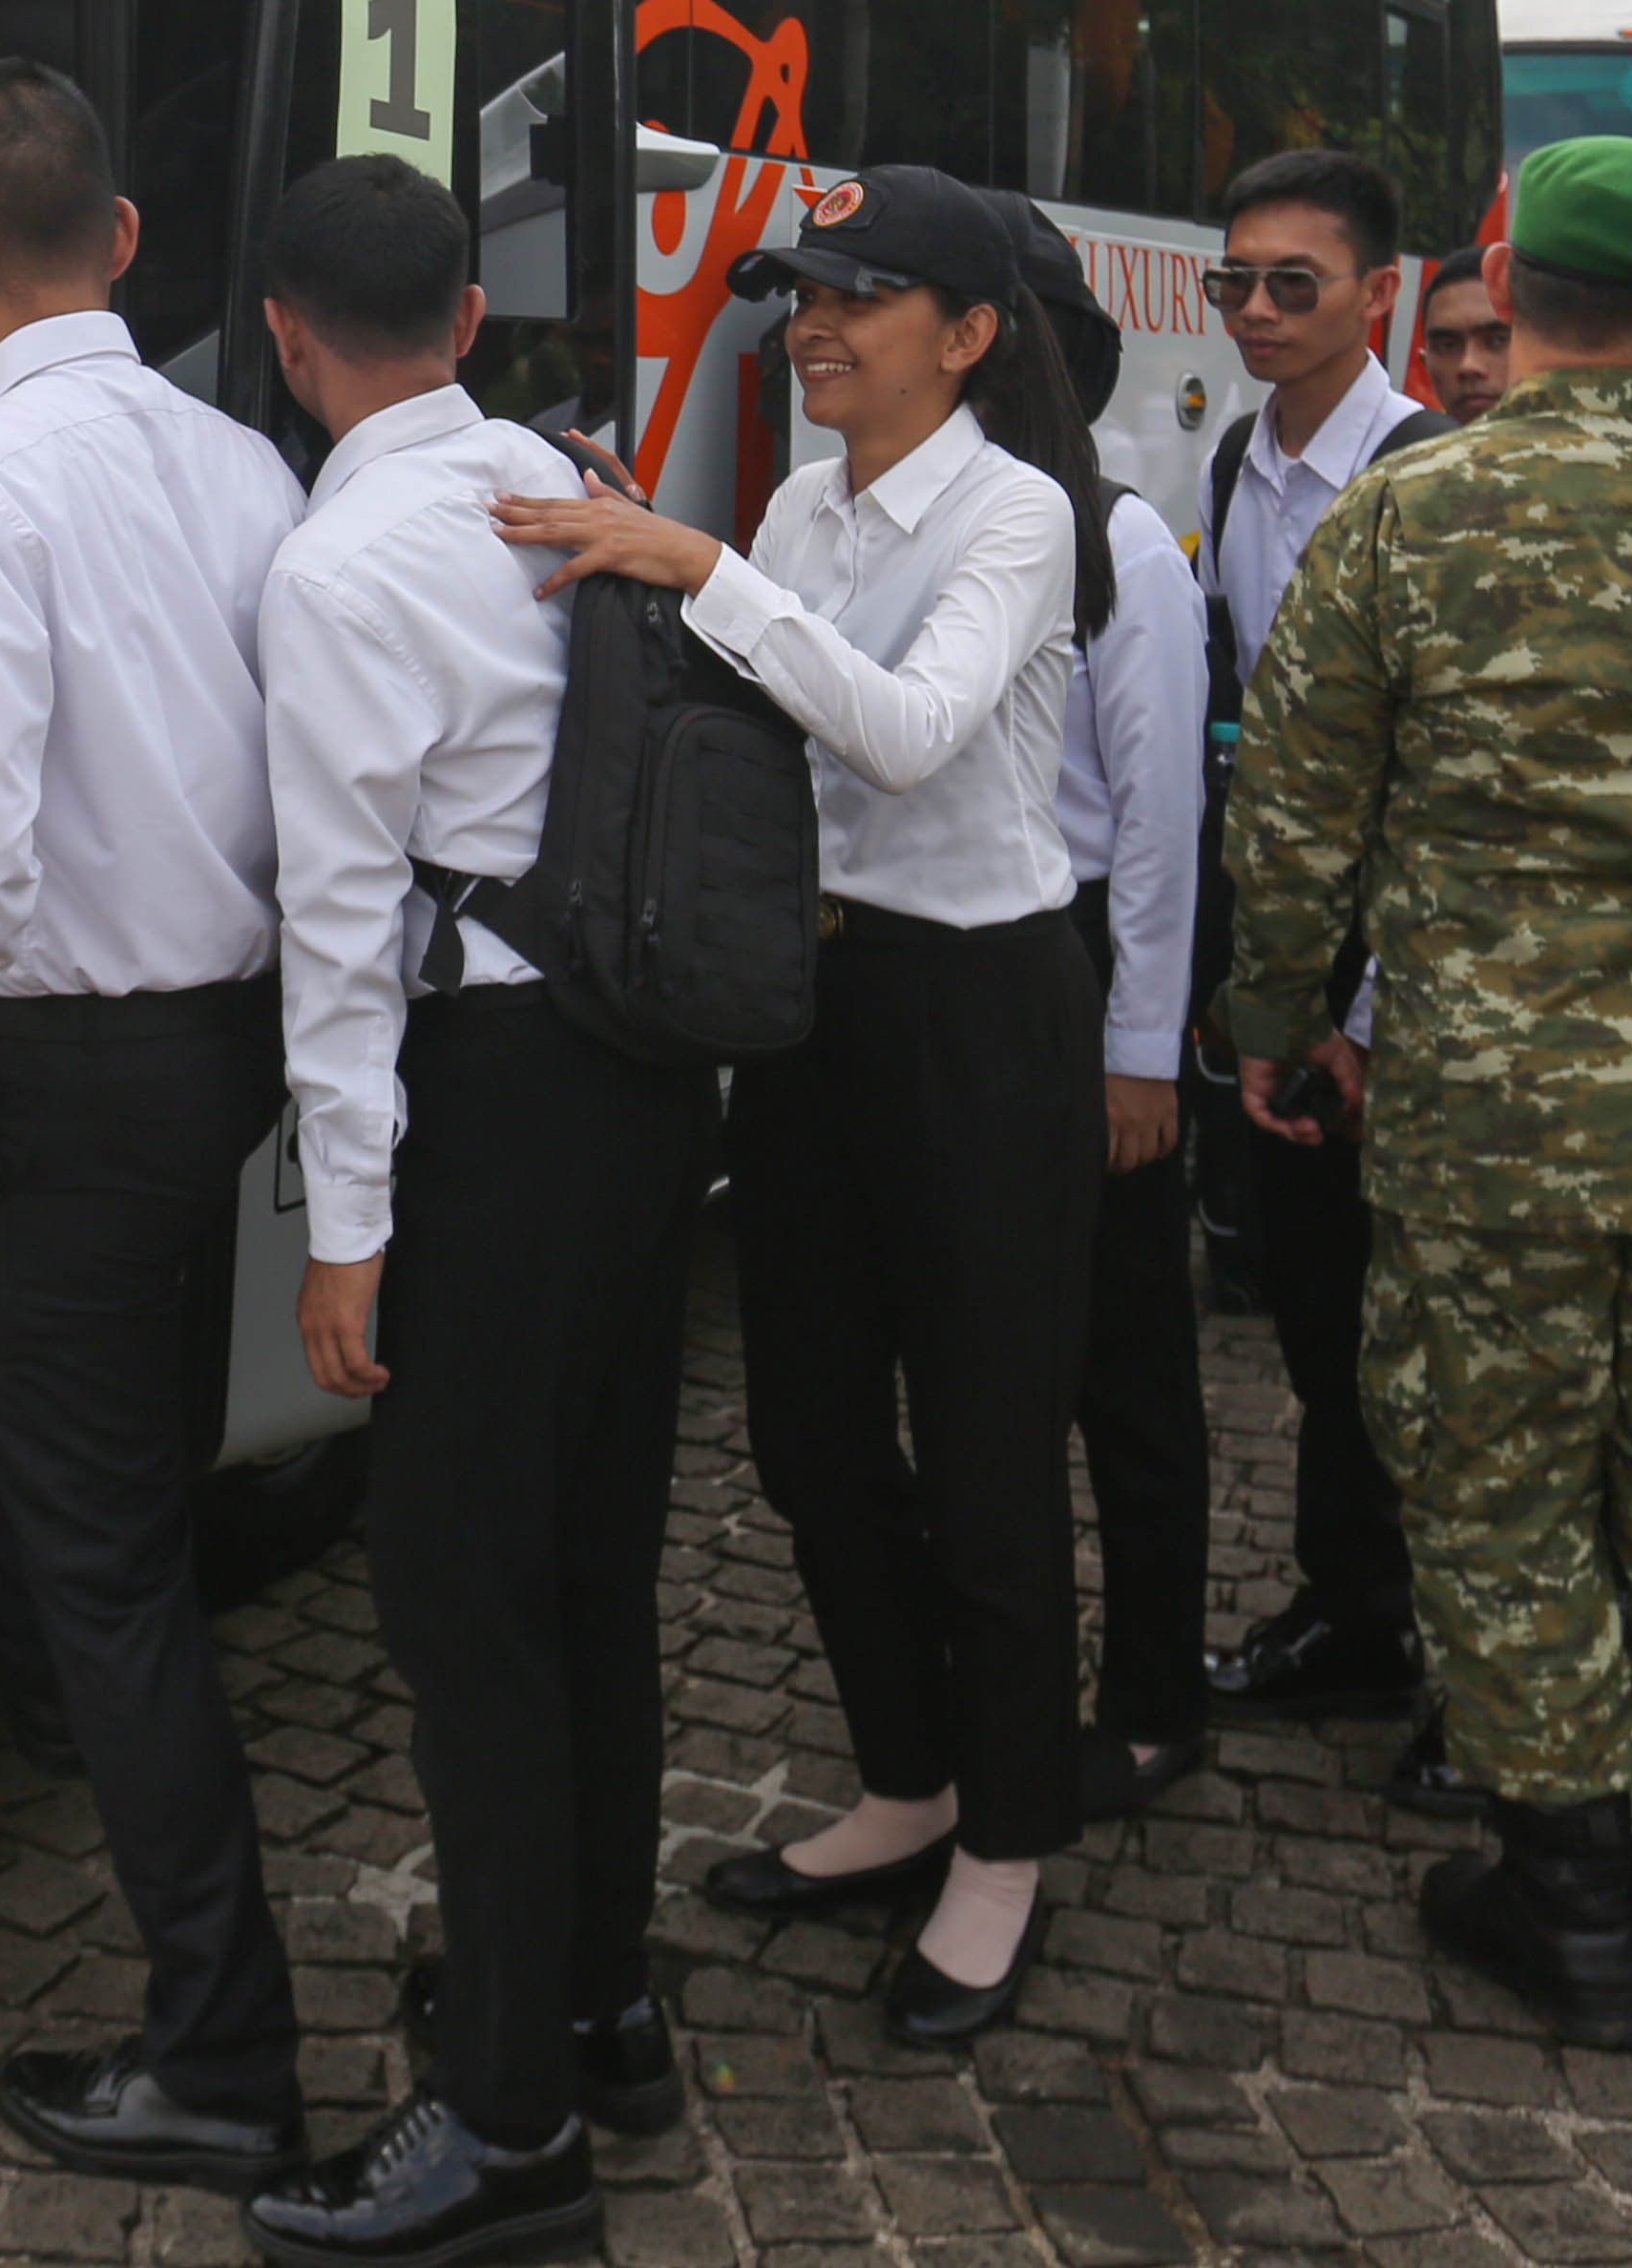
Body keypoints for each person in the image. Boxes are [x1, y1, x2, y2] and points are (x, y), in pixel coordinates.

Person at [1218, 138, 1632, 2060]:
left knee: (1499, 1495)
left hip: (1485, 1114)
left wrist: (1278, 1017)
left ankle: (1566, 1904)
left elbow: (1292, 808)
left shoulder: (1407, 520)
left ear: (1503, 282)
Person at [493, 167, 1093, 2046]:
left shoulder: (1021, 513)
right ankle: (904, 1779)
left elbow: (906, 735)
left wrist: (701, 569)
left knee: (987, 1450)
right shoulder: (795, 502)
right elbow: (755, 715)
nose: (809, 328)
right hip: (813, 1001)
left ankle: (1007, 1842)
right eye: (797, 296)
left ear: (969, 334)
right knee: (808, 1429)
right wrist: (650, 546)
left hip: (983, 1015)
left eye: (855, 298)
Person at [0, 59, 314, 2194]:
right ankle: (24, 1643)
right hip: (216, 1037)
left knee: (111, 1542)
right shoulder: (241, 466)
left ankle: (218, 2042)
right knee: (66, 1426)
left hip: (62, 1063)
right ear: (121, 242)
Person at [246, 160, 700, 2268]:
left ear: (284, 334)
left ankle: (504, 2122)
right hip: (633, 1073)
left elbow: (339, 931)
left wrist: (348, 1230)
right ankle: (601, 2007)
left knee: (460, 1610)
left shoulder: (338, 570)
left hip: (487, 1107)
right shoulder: (565, 470)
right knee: (592, 1571)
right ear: (465, 310)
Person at [1195, 149, 1440, 1732]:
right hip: (1272, 927)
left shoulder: (1427, 474)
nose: (1262, 311)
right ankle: (1351, 1610)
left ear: (1376, 294)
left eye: (1298, 283)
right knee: (1307, 1296)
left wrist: (1366, 1000)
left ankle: (1459, 1663)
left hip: (1400, 943)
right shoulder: (1231, 463)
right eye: (1239, 284)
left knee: (1420, 1321)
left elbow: (1440, 772)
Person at [1002, 190, 1216, 1822]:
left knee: (1126, 1372)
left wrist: (1140, 1054)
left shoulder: (1122, 545)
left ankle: (1152, 1693)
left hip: (1084, 955)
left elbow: (1157, 828)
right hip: (974, 957)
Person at [1412, 257, 1512, 424]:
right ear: (1425, 361)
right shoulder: (1398, 446)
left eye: (1498, 340)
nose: (1468, 366)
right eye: (1447, 346)